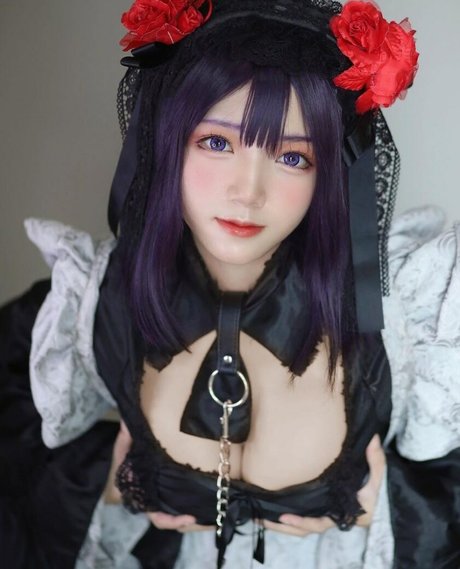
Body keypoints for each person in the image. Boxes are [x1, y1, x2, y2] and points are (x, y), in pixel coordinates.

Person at [0, 1, 459, 568]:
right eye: (217, 143)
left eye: (293, 156)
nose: (248, 191)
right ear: (169, 142)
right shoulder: (94, 301)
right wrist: (105, 483)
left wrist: (388, 506)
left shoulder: (405, 315)